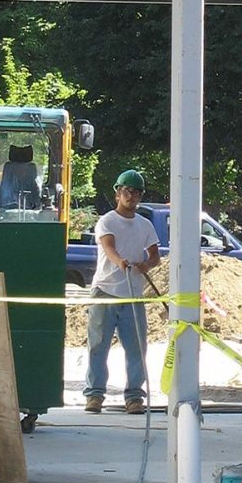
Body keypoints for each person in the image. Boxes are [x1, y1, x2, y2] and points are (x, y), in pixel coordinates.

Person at [83, 170, 161, 415]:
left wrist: (144, 265)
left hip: (133, 295)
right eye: (127, 191)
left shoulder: (145, 225)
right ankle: (95, 395)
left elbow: (155, 256)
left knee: (137, 348)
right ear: (118, 193)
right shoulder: (107, 221)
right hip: (105, 292)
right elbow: (108, 246)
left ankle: (134, 397)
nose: (132, 196)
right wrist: (120, 262)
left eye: (136, 192)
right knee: (98, 346)